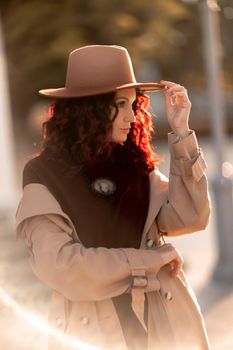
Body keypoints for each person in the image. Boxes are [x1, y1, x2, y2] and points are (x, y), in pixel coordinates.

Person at [16, 45, 211, 350]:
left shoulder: (134, 164)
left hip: (162, 324)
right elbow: (62, 267)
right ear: (89, 108)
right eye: (120, 104)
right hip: (89, 335)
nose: (131, 116)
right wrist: (149, 262)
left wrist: (182, 134)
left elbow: (191, 217)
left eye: (134, 104)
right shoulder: (43, 173)